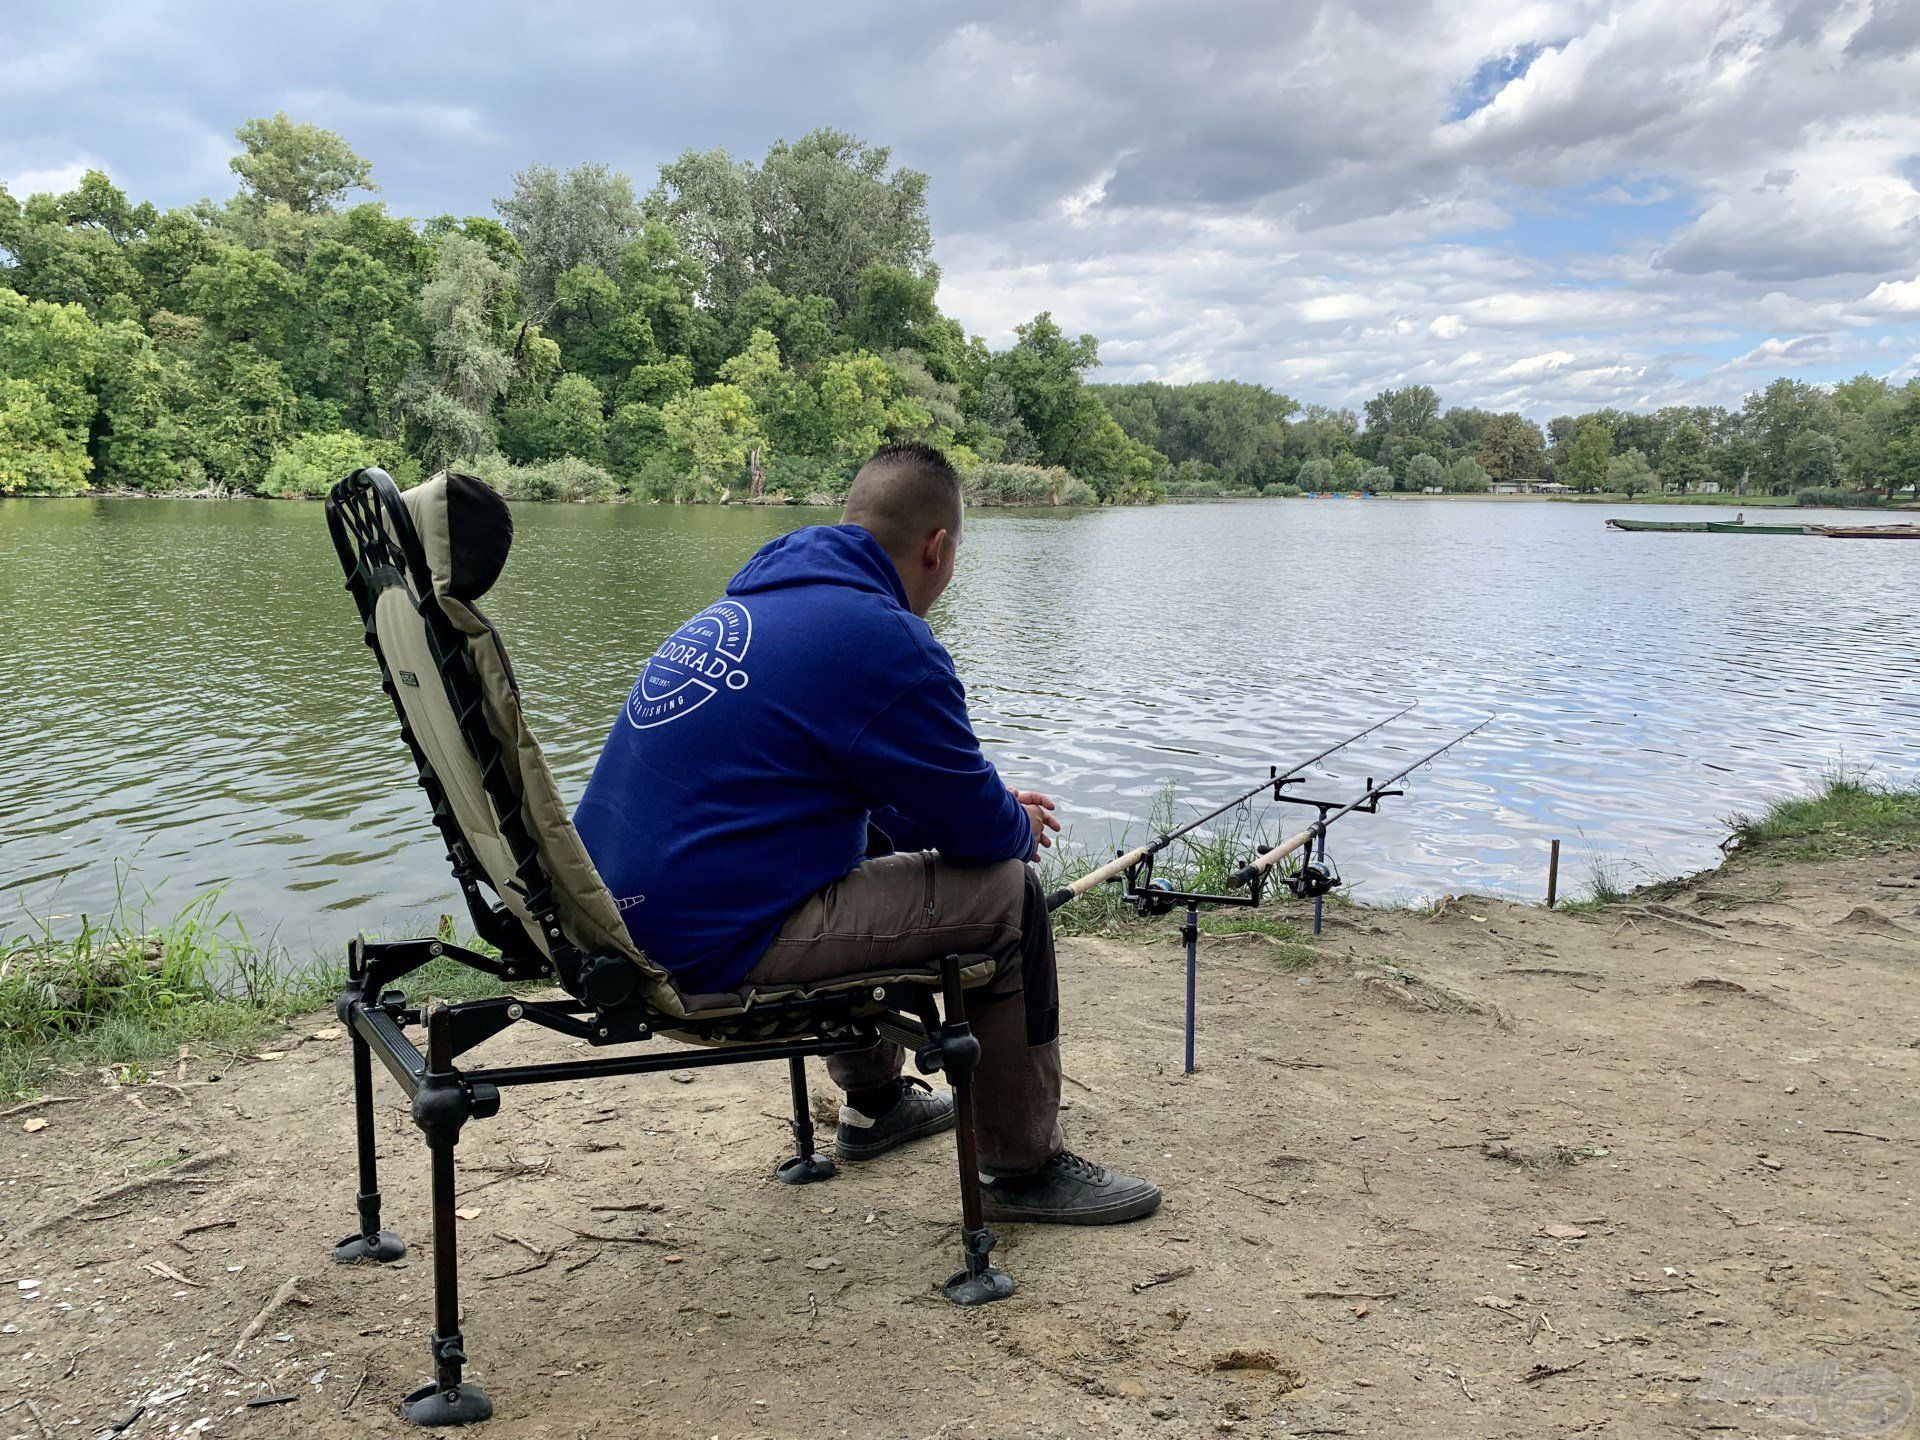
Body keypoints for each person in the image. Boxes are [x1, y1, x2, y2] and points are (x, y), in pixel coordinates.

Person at [576, 442, 1159, 1224]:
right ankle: (1022, 1169)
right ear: (938, 548)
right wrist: (1008, 816)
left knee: (877, 834)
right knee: (1010, 898)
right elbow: (988, 841)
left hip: (615, 920)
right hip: (705, 944)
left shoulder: (749, 607)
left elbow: (846, 785)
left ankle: (877, 1106)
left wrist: (977, 804)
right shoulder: (884, 639)